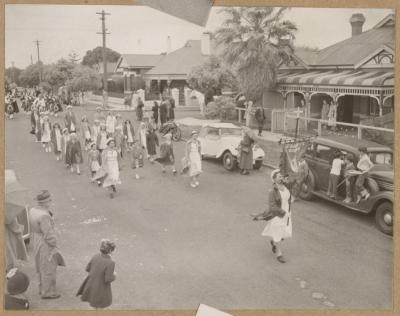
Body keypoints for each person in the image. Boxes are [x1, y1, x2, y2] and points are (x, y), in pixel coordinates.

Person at [29, 190, 65, 299]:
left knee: (40, 265)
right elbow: (49, 235)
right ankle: (48, 292)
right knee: (48, 266)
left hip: (36, 239)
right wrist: (54, 244)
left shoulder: (33, 210)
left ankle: (42, 288)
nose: (50, 202)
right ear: (45, 202)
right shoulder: (44, 215)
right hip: (44, 242)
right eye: (49, 200)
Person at [253, 169, 292, 263]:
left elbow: (295, 183)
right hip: (278, 215)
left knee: (284, 233)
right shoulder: (272, 191)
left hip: (287, 214)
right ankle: (279, 254)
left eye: (282, 176)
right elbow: (272, 207)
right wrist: (283, 213)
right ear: (274, 179)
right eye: (279, 177)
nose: (281, 178)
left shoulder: (286, 186)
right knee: (278, 233)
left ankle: (274, 242)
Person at [77, 239, 116, 309]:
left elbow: (87, 269)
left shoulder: (96, 256)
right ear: (110, 251)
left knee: (93, 304)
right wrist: (114, 275)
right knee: (101, 305)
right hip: (101, 288)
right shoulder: (110, 263)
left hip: (91, 285)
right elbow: (108, 279)